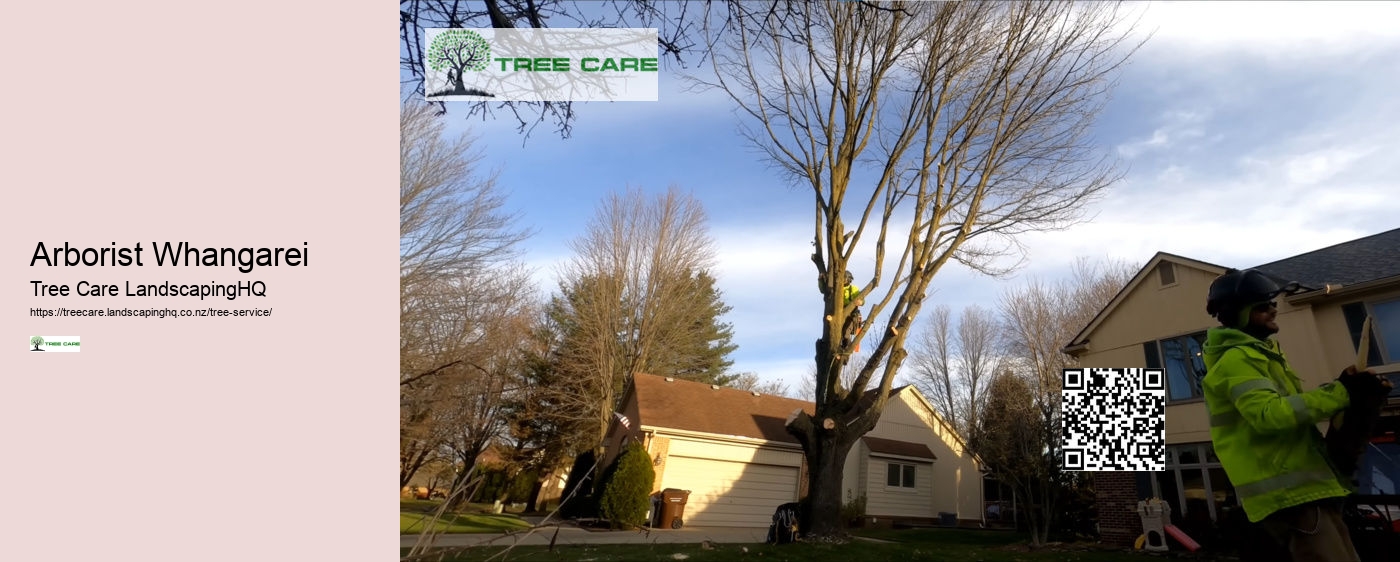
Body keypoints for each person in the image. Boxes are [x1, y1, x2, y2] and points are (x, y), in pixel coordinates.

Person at [1201, 268, 1389, 562]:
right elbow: (1269, 415)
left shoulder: (1261, 355)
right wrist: (1340, 393)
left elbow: (1291, 411)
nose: (1273, 309)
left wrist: (1341, 389)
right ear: (1238, 314)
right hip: (1291, 497)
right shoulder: (1236, 360)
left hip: (1304, 494)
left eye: (1273, 303)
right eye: (1262, 306)